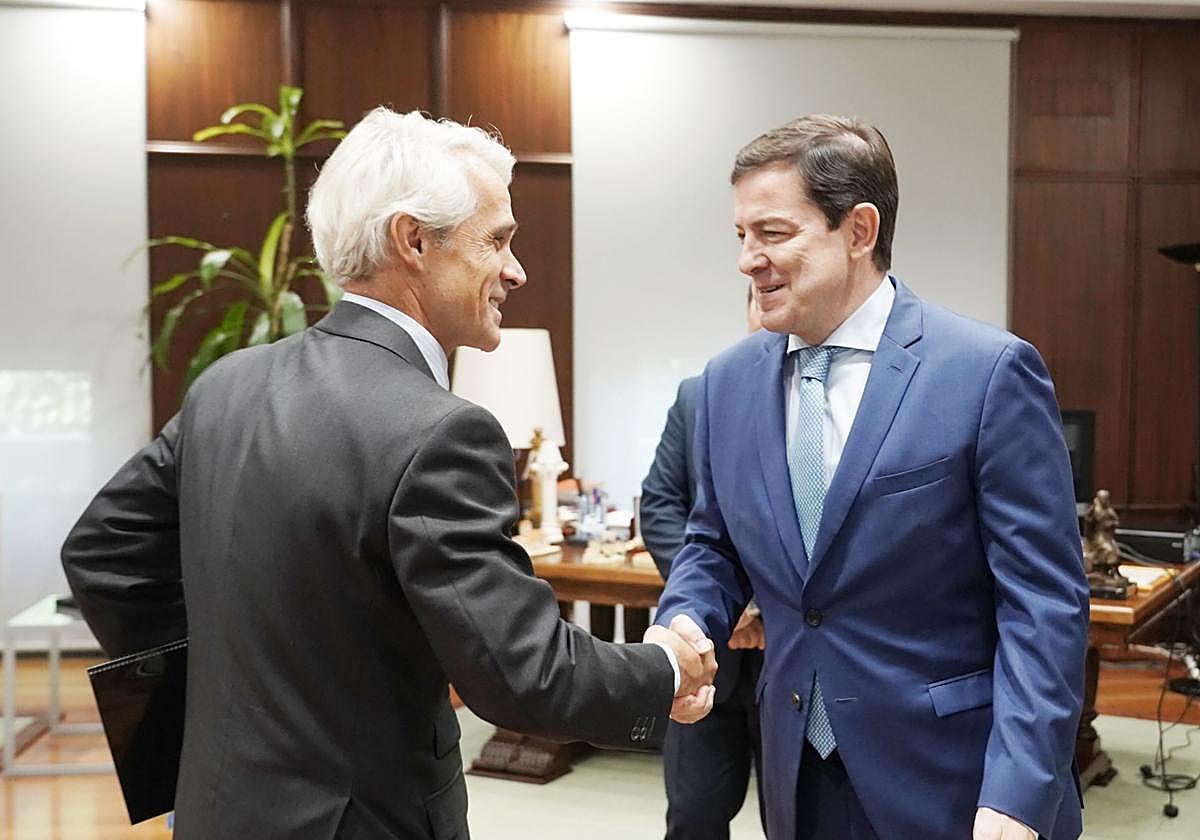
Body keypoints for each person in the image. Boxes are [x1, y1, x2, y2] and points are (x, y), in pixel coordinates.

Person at [61, 108, 716, 839]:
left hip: (217, 805)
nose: (516, 269)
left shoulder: (227, 384)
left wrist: (215, 689)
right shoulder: (439, 431)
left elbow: (102, 551)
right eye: (497, 241)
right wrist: (662, 669)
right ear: (414, 241)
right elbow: (524, 676)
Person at [653, 115, 1089, 840]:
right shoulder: (726, 384)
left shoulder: (986, 374)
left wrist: (1017, 794)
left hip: (958, 782)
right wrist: (683, 621)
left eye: (773, 233)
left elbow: (1043, 606)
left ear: (858, 230)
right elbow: (713, 545)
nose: (747, 259)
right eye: (741, 235)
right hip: (797, 776)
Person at [640, 291, 766, 839]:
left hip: (789, 654)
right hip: (707, 650)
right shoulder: (700, 397)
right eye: (758, 301)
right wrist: (725, 609)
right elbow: (661, 504)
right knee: (694, 814)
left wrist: (763, 606)